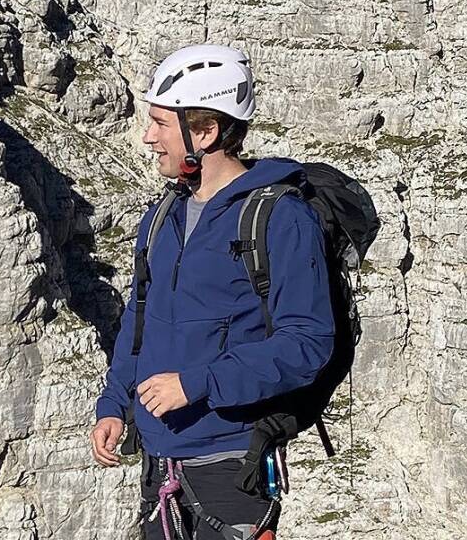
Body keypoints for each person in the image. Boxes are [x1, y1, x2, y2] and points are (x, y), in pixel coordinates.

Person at [89, 44, 334, 540]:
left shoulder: (281, 218)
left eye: (160, 123)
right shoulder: (162, 217)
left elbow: (308, 343)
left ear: (204, 132)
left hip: (232, 464)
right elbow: (139, 321)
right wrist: (115, 404)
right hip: (161, 461)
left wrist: (198, 383)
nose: (147, 137)